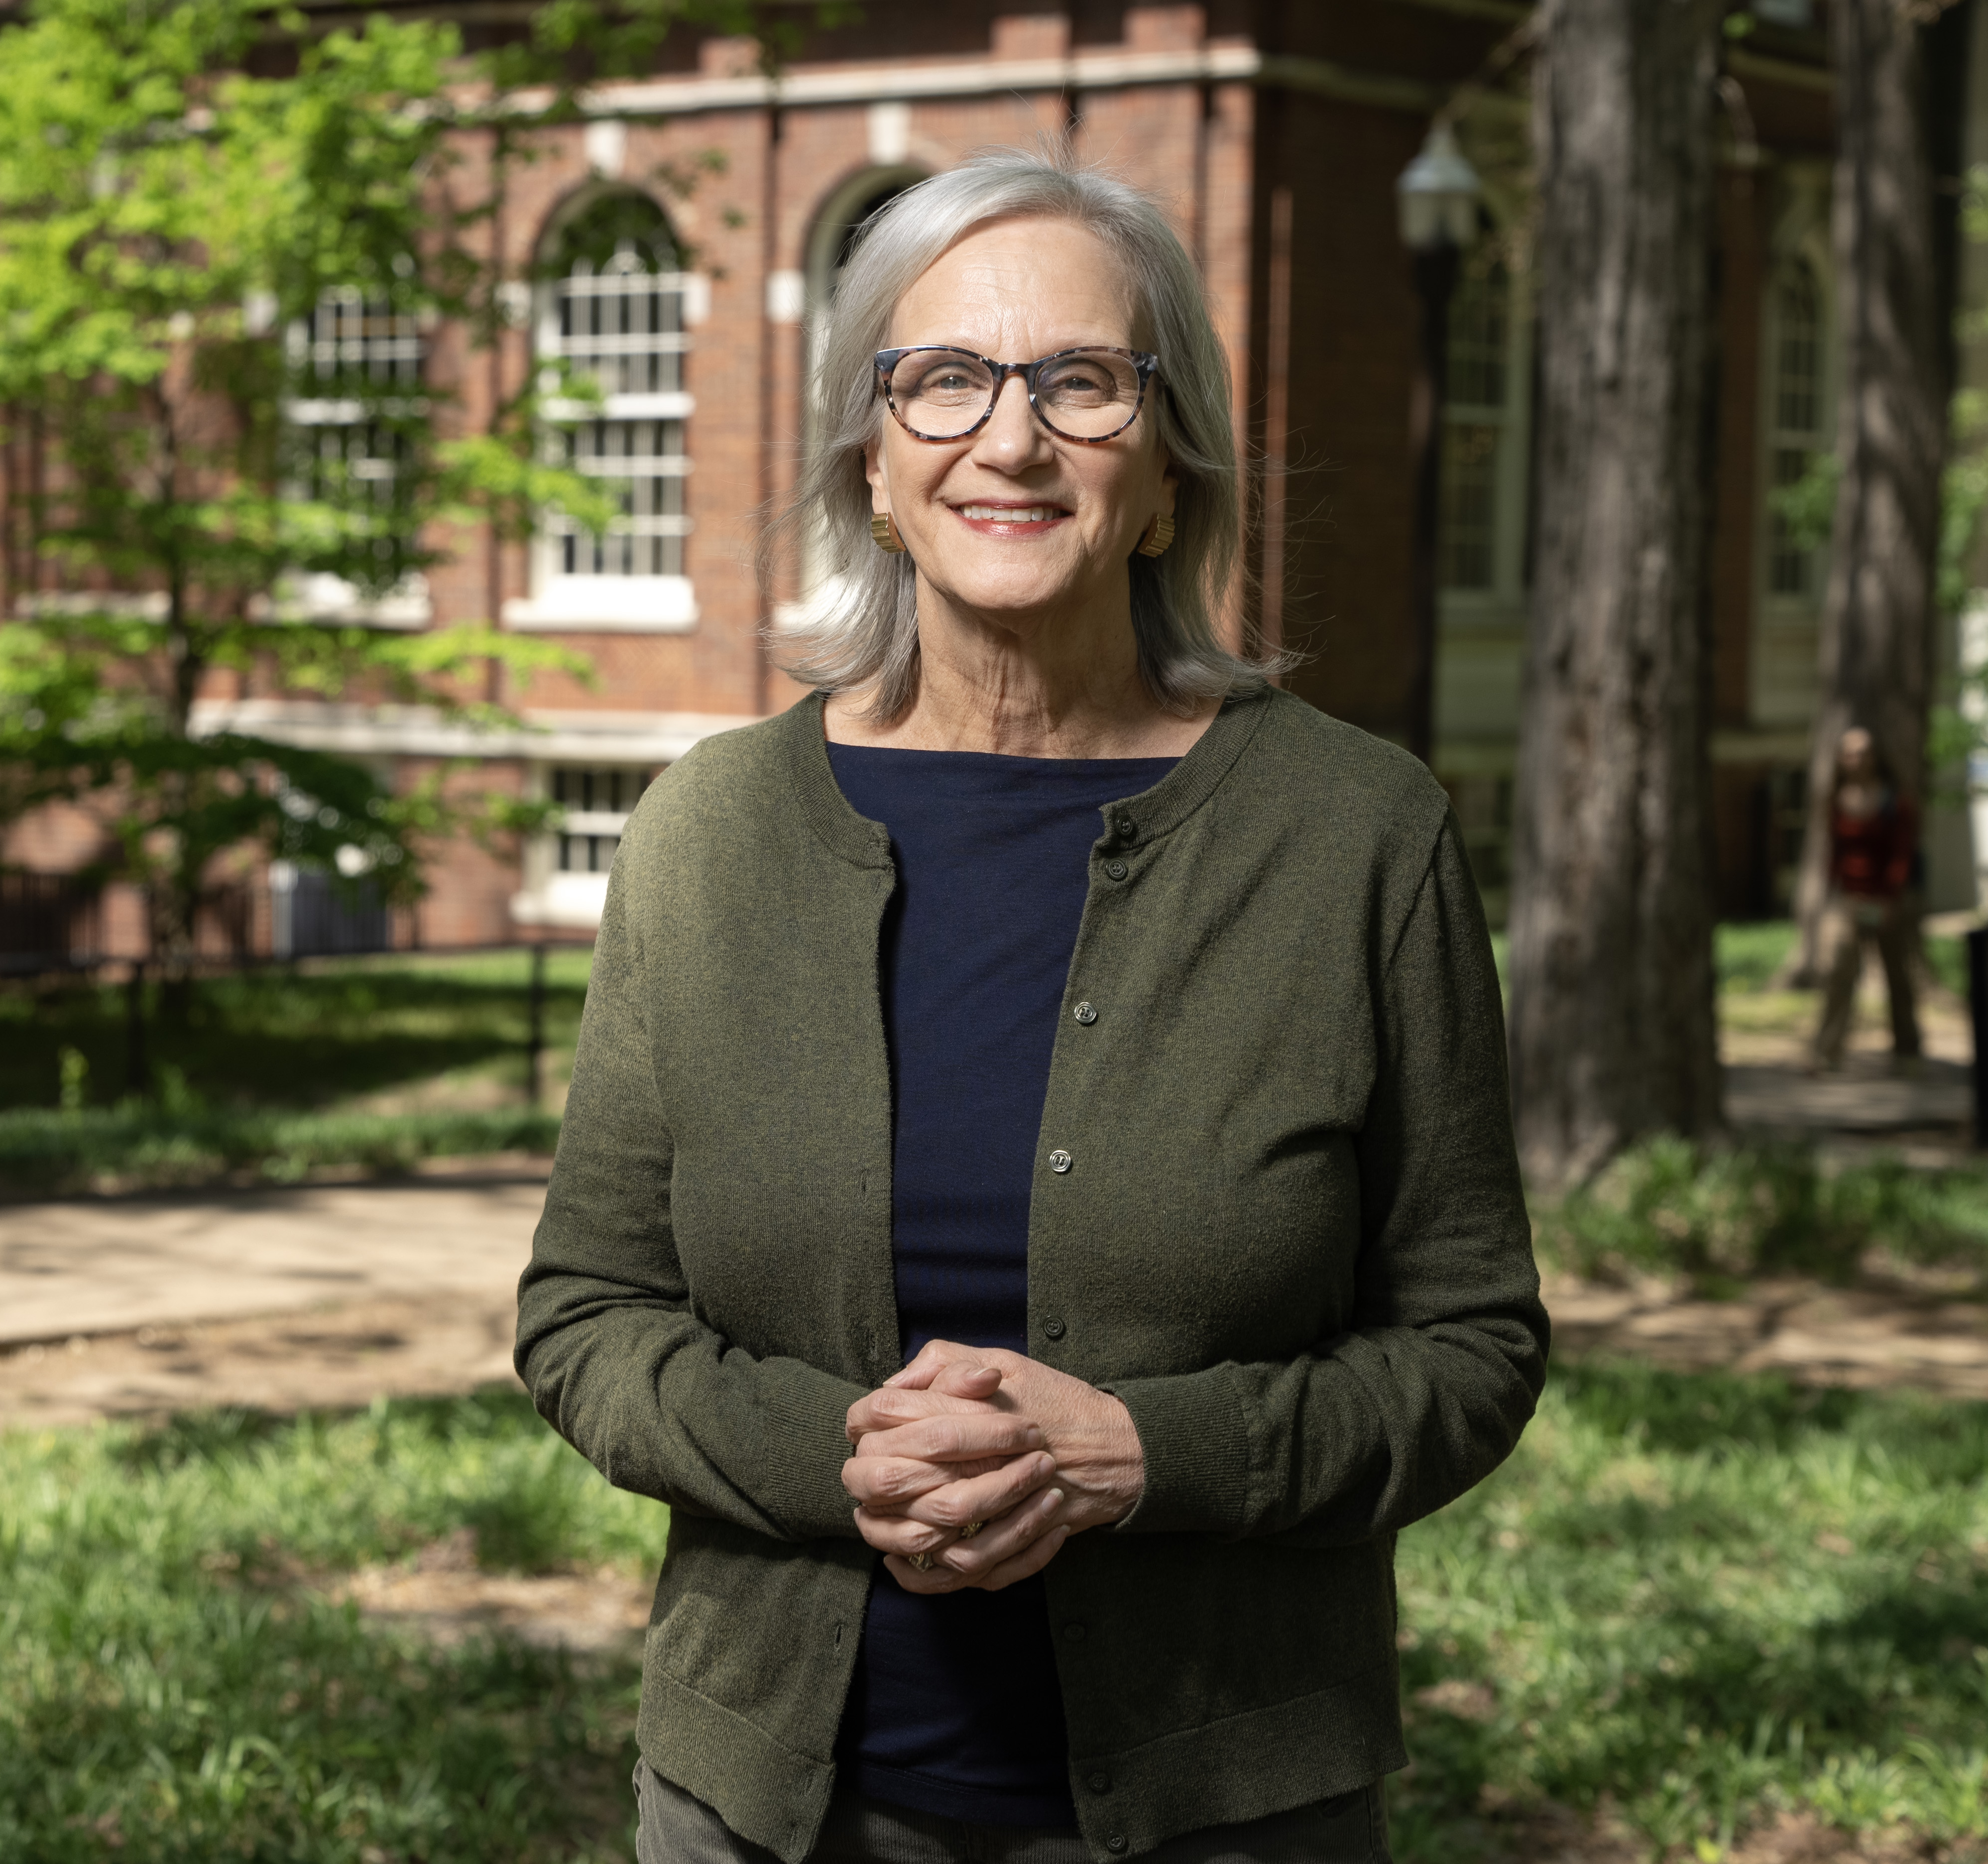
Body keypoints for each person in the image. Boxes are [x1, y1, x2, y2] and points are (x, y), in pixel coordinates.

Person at [516, 149, 1547, 1864]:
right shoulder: (707, 834)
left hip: (1232, 1809)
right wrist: (833, 1454)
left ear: (1167, 471)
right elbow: (585, 1314)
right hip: (761, 1812)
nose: (1010, 439)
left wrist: (1146, 1455)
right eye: (944, 378)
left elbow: (1471, 1348)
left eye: (1081, 380)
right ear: (872, 460)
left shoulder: (1356, 836)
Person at [1809, 724, 1924, 1073]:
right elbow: (1834, 853)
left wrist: (1890, 899)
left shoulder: (1894, 800)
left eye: (1863, 752)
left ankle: (1907, 1053)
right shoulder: (1836, 800)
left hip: (1887, 901)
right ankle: (1827, 1052)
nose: (1856, 759)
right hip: (1848, 900)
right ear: (1841, 759)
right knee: (1838, 972)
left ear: (1875, 757)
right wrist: (1829, 894)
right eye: (1849, 753)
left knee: (1897, 975)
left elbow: (1902, 854)